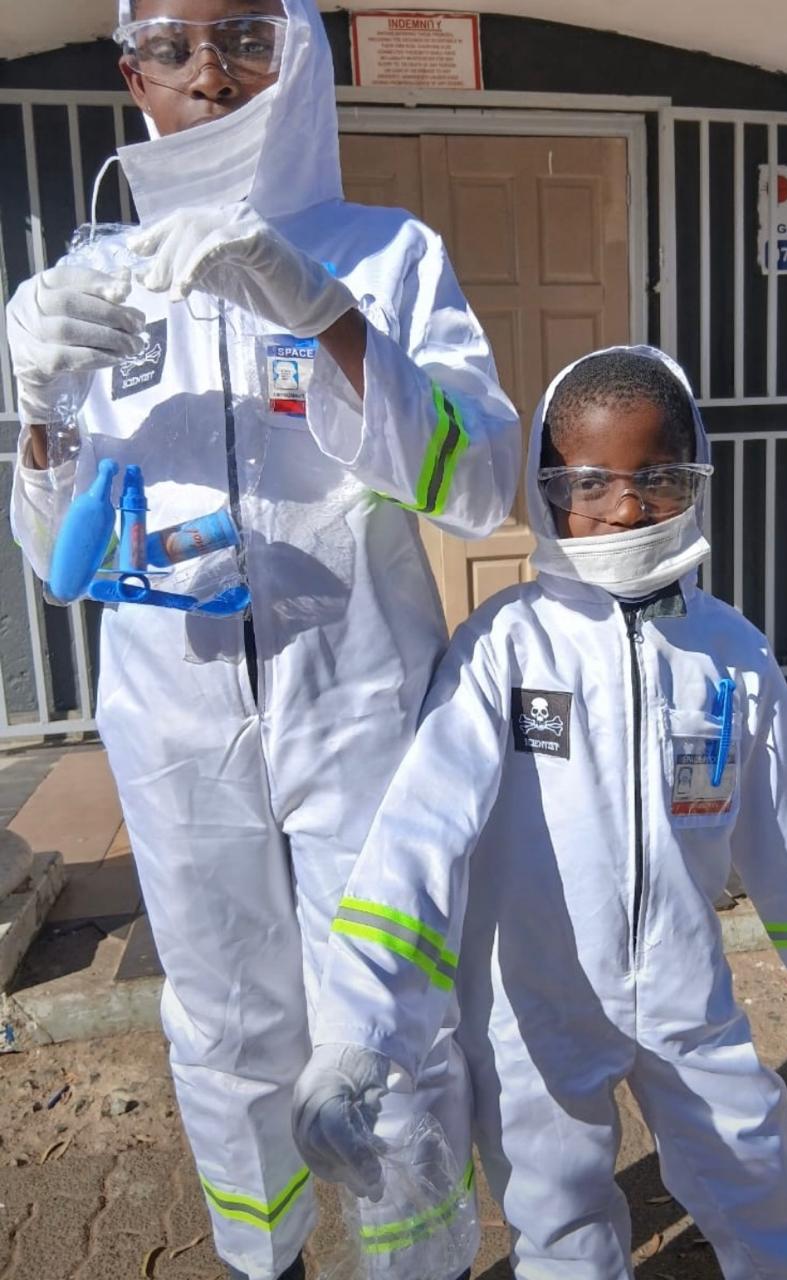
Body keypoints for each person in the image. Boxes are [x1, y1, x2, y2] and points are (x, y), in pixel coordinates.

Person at [5, 3, 520, 1279]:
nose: (213, 74)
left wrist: (326, 314)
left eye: (244, 34)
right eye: (175, 46)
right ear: (133, 77)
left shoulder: (389, 253)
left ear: (300, 54)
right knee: (223, 1014)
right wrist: (33, 415)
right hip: (174, 719)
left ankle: (416, 1258)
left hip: (358, 694)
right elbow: (47, 554)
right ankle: (265, 1255)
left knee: (385, 1010)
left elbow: (482, 481)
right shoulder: (83, 283)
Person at [292, 346, 787, 1279]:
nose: (626, 508)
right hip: (534, 1008)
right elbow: (418, 838)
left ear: (697, 476)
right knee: (557, 1219)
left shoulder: (728, 653)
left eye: (659, 479)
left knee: (754, 1175)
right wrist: (357, 1026)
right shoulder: (502, 651)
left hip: (685, 989)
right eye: (589, 482)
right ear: (545, 489)